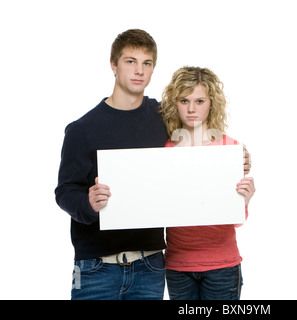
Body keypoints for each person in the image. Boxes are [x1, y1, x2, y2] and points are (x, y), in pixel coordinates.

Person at [55, 29, 251, 300]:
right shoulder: (82, 129)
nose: (139, 71)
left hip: (151, 266)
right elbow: (64, 191)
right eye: (130, 61)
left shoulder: (163, 120)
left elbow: (201, 139)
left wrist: (237, 158)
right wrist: (88, 203)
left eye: (146, 63)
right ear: (113, 65)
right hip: (94, 267)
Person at [160, 66, 256, 300]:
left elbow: (236, 222)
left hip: (222, 265)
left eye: (200, 101)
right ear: (175, 103)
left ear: (212, 103)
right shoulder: (164, 150)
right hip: (177, 265)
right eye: (184, 100)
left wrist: (245, 199)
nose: (192, 109)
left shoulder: (230, 149)